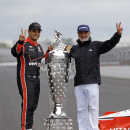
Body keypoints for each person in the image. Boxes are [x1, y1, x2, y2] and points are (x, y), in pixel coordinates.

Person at [69, 22, 123, 130]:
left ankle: (93, 128)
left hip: (92, 82)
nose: (83, 34)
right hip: (79, 83)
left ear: (89, 33)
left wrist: (117, 34)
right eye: (81, 32)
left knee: (93, 108)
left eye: (85, 32)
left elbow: (109, 44)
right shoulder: (74, 49)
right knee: (81, 109)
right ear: (78, 34)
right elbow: (65, 59)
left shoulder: (96, 45)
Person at [11, 22, 52, 130]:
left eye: (38, 31)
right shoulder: (23, 44)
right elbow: (15, 52)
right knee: (27, 105)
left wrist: (48, 52)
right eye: (34, 31)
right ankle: (26, 128)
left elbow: (43, 61)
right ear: (29, 32)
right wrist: (20, 41)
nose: (36, 33)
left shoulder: (39, 46)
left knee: (33, 106)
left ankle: (29, 127)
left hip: (36, 78)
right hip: (25, 78)